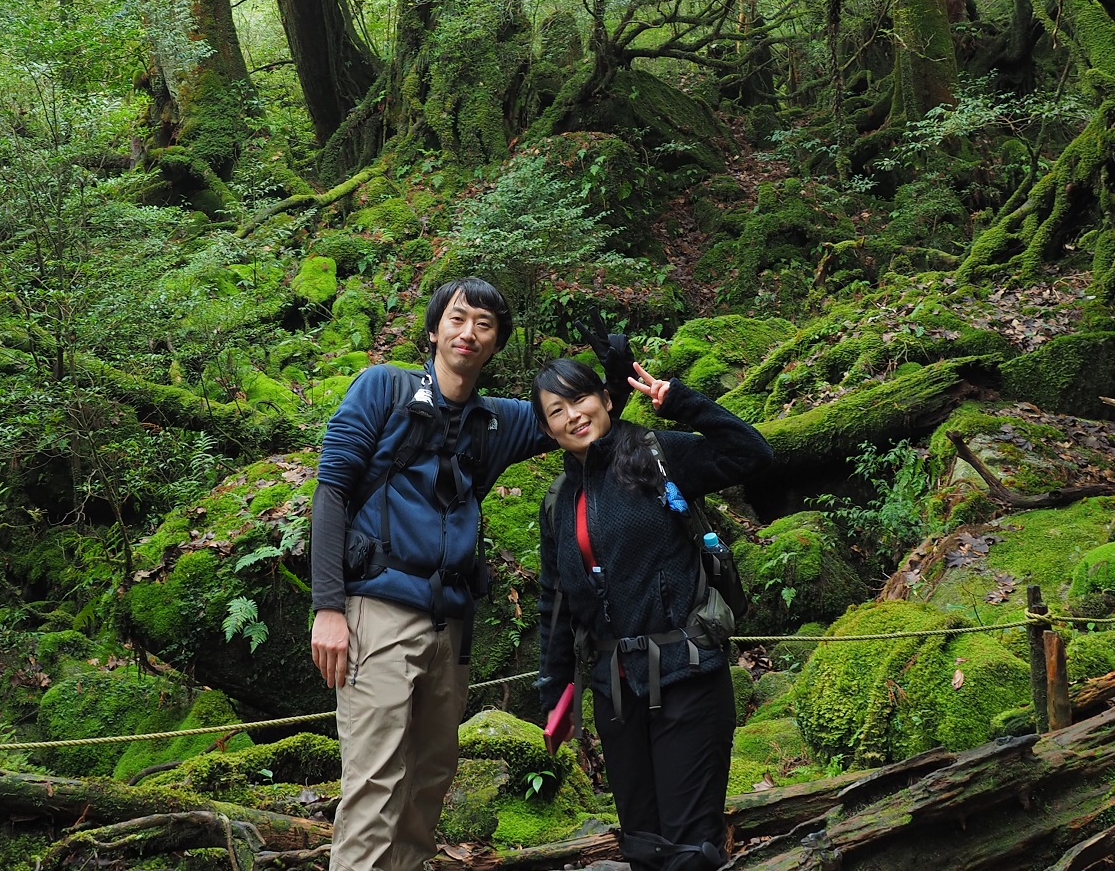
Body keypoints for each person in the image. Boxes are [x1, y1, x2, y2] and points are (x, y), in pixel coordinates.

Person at [309, 277, 556, 871]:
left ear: (496, 343)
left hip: (451, 624)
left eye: (484, 324)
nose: (468, 332)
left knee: (429, 783)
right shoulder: (383, 387)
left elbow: (576, 417)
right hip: (378, 611)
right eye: (457, 318)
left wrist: (620, 378)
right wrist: (329, 607)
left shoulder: (496, 422)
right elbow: (332, 490)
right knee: (374, 784)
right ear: (434, 330)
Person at [533, 356, 773, 871]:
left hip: (687, 675)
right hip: (616, 694)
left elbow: (752, 453)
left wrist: (681, 402)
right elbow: (556, 601)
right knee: (643, 847)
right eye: (557, 411)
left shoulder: (657, 455)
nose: (574, 415)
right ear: (548, 431)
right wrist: (555, 694)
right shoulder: (559, 500)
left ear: (606, 399)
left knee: (690, 851)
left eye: (580, 398)